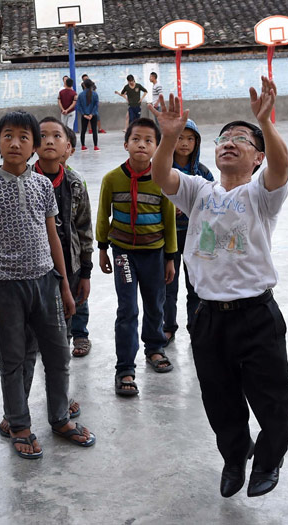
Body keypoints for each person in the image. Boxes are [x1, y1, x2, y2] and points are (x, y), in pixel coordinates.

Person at [149, 77, 288, 499]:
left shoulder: (261, 194)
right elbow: (160, 174)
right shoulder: (198, 190)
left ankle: (268, 459)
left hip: (256, 314)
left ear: (257, 157)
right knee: (219, 397)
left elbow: (282, 166)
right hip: (207, 314)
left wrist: (265, 122)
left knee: (271, 397)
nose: (228, 143)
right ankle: (235, 455)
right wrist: (170, 136)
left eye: (240, 139)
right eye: (223, 139)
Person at [0, 111, 94, 460]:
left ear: (34, 147)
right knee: (13, 359)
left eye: (25, 137)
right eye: (8, 136)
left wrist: (65, 288)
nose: (15, 143)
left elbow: (54, 236)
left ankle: (58, 417)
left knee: (57, 354)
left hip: (47, 284)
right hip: (6, 288)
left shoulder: (43, 186)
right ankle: (20, 424)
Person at [97, 117, 177, 395]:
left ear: (157, 147)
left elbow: (169, 221)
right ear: (125, 144)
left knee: (156, 304)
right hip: (123, 255)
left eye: (148, 141)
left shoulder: (162, 180)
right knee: (127, 309)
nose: (141, 145)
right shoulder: (112, 179)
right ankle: (125, 368)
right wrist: (102, 248)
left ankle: (154, 348)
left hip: (154, 254)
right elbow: (102, 215)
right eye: (136, 139)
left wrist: (170, 257)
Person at [37, 117, 94, 359]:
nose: (49, 141)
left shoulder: (75, 183)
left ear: (68, 146)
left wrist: (86, 271)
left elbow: (84, 228)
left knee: (72, 308)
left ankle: (77, 335)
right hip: (38, 268)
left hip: (71, 264)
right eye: (42, 136)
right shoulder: (27, 181)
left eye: (57, 136)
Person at [164, 119, 214, 341]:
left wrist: (190, 208)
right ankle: (167, 326)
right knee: (167, 284)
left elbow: (214, 203)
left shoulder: (203, 173)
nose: (185, 143)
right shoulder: (163, 171)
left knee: (195, 283)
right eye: (179, 138)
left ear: (197, 142)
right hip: (168, 236)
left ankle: (196, 325)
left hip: (196, 236)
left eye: (190, 138)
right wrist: (168, 208)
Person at [76, 80, 100, 151]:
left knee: (83, 131)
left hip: (84, 115)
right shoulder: (95, 94)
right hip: (93, 115)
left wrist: (84, 114)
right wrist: (92, 114)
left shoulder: (80, 95)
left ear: (84, 85)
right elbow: (96, 105)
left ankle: (83, 146)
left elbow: (78, 106)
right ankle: (95, 146)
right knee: (94, 130)